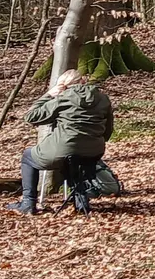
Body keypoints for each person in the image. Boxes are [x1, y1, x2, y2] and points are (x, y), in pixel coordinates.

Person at [7, 68, 115, 215]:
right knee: (75, 161)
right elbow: (108, 130)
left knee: (28, 156)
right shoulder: (103, 98)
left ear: (63, 86)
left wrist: (49, 95)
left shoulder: (62, 98)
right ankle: (80, 200)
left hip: (64, 150)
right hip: (94, 152)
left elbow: (31, 116)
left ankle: (28, 202)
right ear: (83, 81)